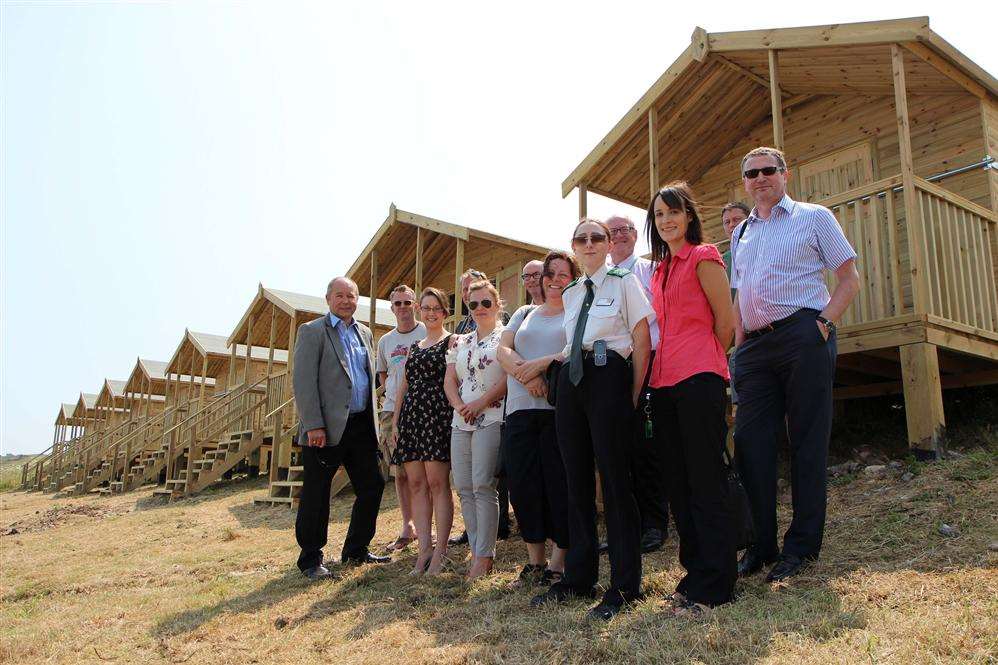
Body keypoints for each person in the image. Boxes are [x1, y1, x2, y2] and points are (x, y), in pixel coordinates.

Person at [731, 147, 859, 583]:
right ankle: (760, 546)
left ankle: (801, 548)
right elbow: (740, 293)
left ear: (785, 173)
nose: (761, 178)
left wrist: (822, 325)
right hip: (754, 348)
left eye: (769, 170)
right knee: (751, 446)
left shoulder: (814, 217)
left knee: (806, 442)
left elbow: (849, 277)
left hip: (802, 335)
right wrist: (739, 345)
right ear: (745, 182)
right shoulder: (740, 232)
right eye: (752, 173)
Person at [532, 218, 652, 622]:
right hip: (572, 380)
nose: (589, 244)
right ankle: (579, 577)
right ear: (574, 246)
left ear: (607, 244)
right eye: (581, 239)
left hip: (609, 375)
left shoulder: (623, 281)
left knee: (616, 482)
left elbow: (641, 340)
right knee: (575, 480)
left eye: (596, 237)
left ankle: (624, 586)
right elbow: (569, 345)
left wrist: (631, 394)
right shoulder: (570, 292)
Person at [646, 182, 737, 616]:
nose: (666, 221)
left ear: (688, 215)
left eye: (673, 212)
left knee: (705, 479)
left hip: (699, 378)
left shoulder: (704, 257)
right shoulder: (659, 271)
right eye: (659, 215)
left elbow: (726, 323)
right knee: (678, 484)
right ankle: (694, 572)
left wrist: (708, 360)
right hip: (663, 385)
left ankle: (717, 582)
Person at [292, 277, 389, 579]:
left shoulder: (365, 333)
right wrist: (314, 425)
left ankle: (356, 550)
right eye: (339, 295)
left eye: (351, 295)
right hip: (325, 428)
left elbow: (365, 377)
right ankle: (310, 558)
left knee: (372, 485)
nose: (346, 301)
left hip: (361, 426)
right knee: (317, 493)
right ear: (328, 299)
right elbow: (304, 382)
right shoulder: (312, 331)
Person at [498, 251, 577, 586]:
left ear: (574, 279)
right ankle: (535, 564)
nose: (556, 280)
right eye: (550, 274)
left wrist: (543, 364)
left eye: (564, 274)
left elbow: (576, 349)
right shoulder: (524, 312)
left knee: (559, 486)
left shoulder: (577, 312)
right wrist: (527, 377)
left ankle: (559, 563)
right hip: (520, 410)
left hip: (558, 411)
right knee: (523, 485)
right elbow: (502, 349)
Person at [605, 215, 669, 554]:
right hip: (613, 367)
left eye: (625, 230)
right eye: (612, 231)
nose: (619, 236)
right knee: (619, 446)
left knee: (646, 446)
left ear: (635, 235)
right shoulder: (600, 279)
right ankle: (626, 524)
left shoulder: (649, 269)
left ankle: (655, 524)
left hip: (650, 360)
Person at [444, 279, 508, 580]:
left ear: (497, 304)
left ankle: (485, 556)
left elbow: (508, 378)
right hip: (461, 419)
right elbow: (449, 381)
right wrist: (460, 406)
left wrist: (481, 403)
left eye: (486, 302)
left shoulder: (506, 337)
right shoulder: (459, 341)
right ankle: (475, 545)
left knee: (483, 485)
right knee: (464, 488)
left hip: (492, 415)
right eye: (473, 304)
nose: (480, 308)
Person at [392, 287, 455, 575]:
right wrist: (395, 421)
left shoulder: (452, 341)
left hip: (437, 417)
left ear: (444, 312)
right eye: (426, 308)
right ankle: (424, 550)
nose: (431, 313)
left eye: (436, 308)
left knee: (437, 484)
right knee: (415, 484)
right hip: (411, 420)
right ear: (421, 310)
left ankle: (441, 551)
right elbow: (403, 385)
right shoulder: (415, 347)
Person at [376, 285, 427, 552]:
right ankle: (407, 525)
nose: (403, 307)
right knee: (400, 472)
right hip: (391, 410)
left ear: (416, 305)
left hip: (421, 408)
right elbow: (383, 377)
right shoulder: (386, 341)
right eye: (398, 303)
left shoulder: (425, 331)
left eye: (408, 302)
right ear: (391, 307)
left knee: (424, 471)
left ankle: (425, 525)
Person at [720, 203, 749, 409]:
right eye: (727, 222)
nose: (731, 225)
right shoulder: (723, 261)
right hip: (734, 333)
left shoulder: (761, 247)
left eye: (737, 220)